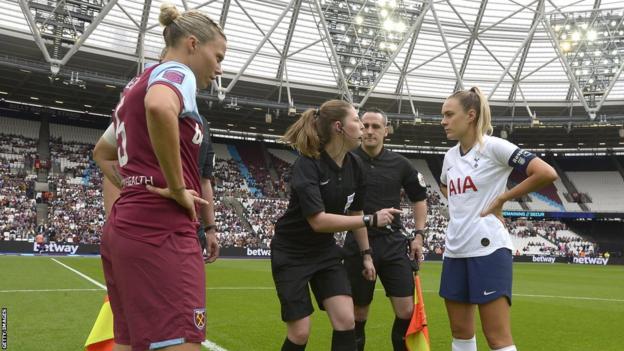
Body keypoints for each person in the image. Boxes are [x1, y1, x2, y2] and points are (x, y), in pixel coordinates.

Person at [96, 3, 226, 351]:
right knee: (181, 341)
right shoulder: (176, 73)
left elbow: (102, 152)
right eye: (218, 57)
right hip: (160, 229)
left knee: (129, 342)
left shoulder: (136, 83)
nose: (219, 69)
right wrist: (177, 186)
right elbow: (159, 107)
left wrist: (135, 186)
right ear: (193, 44)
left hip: (126, 227)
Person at [272, 100, 402, 351]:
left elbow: (356, 210)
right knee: (300, 333)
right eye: (357, 121)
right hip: (291, 253)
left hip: (325, 252)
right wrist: (371, 219)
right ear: (339, 127)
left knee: (346, 320)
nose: (363, 127)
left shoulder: (356, 166)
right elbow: (318, 221)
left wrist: (366, 255)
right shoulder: (308, 164)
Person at [439, 87, 558, 351]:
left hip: (488, 249)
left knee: (497, 338)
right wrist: (464, 207)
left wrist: (501, 199)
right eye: (443, 115)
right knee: (460, 333)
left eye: (449, 114)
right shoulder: (449, 156)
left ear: (470, 115)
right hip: (454, 249)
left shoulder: (494, 146)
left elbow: (546, 173)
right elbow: (445, 186)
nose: (443, 121)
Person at [343, 108, 428, 351]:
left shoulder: (400, 163)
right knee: (358, 314)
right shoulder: (347, 160)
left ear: (386, 131)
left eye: (376, 127)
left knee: (406, 312)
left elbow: (419, 198)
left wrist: (419, 235)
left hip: (393, 244)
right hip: (358, 242)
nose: (369, 131)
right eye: (365, 125)